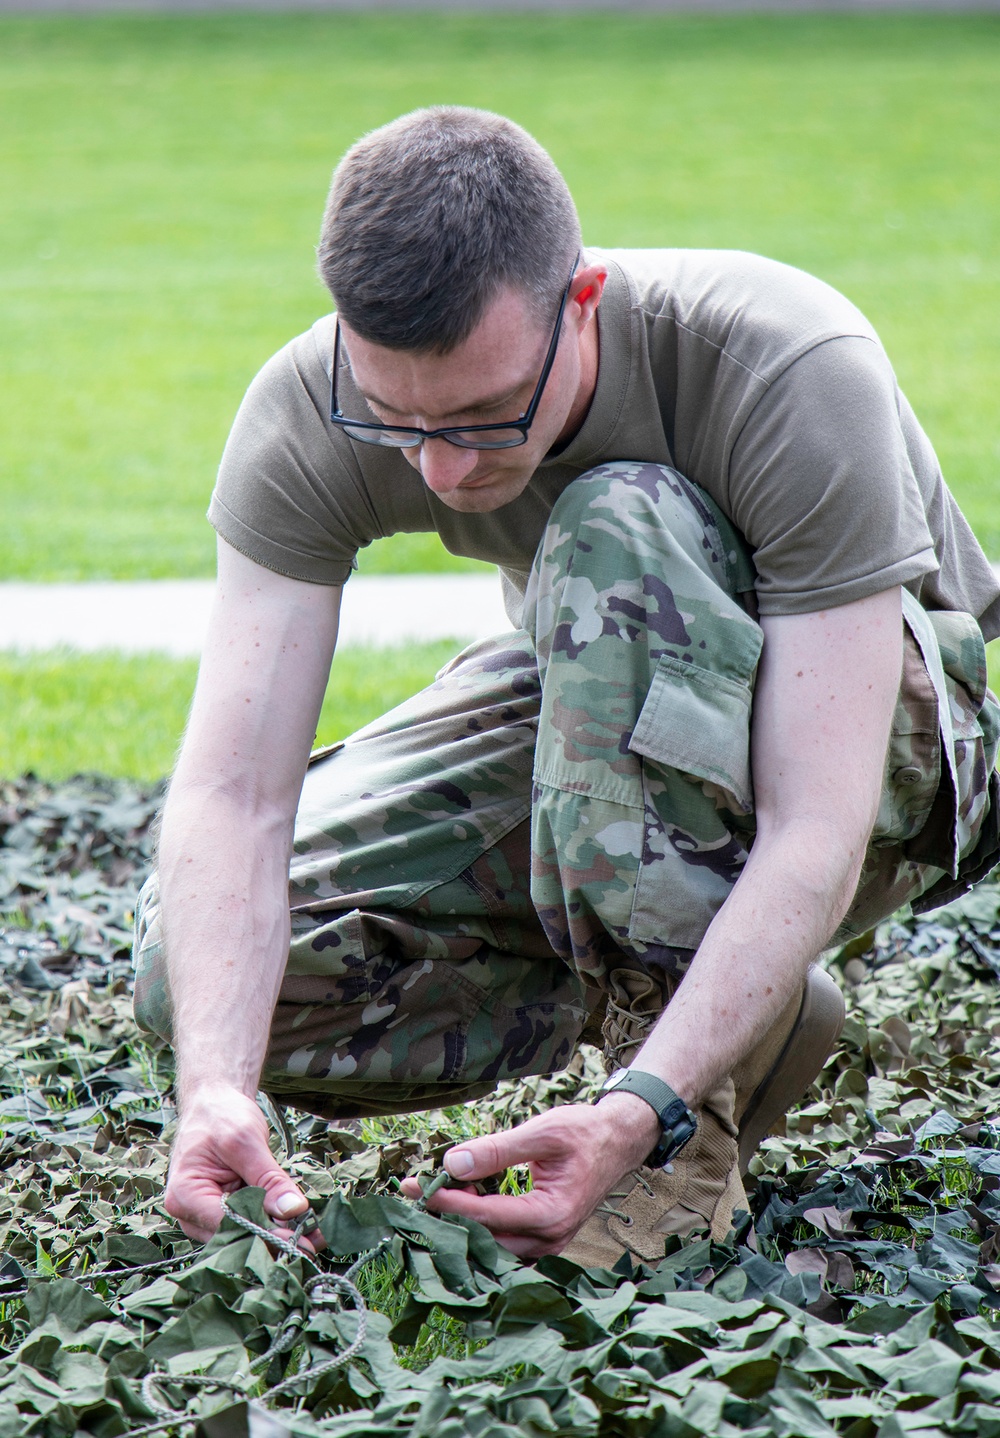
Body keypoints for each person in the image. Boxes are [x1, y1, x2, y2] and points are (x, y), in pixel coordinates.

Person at [133, 106, 1000, 1266]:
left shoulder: (782, 361)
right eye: (394, 420)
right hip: (619, 714)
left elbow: (815, 821)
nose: (439, 466)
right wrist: (215, 1086)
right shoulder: (306, 409)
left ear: (579, 302)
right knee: (197, 979)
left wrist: (645, 1104)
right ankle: (747, 1012)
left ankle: (675, 1133)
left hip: (905, 736)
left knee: (612, 525)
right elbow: (233, 795)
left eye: (485, 416)